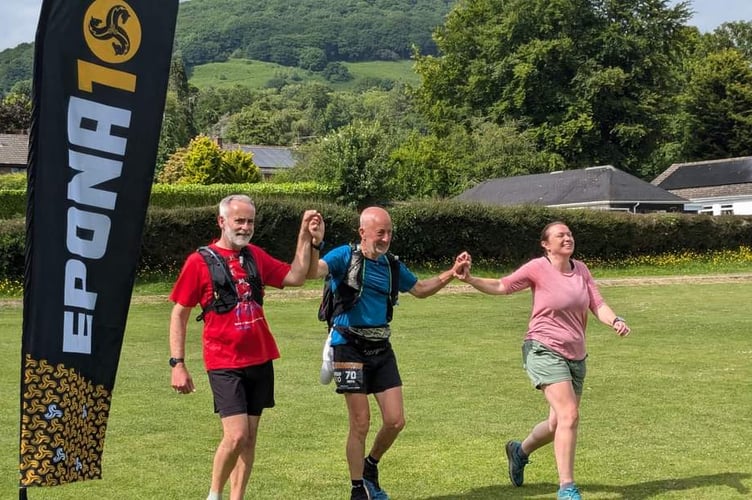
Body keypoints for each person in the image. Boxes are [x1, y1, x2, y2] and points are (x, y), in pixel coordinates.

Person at [455, 221, 631, 500]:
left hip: (576, 355)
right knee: (569, 415)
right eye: (560, 235)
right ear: (546, 244)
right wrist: (471, 279)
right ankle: (567, 488)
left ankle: (519, 451)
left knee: (556, 424)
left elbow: (596, 303)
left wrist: (615, 320)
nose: (567, 238)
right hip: (543, 348)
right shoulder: (538, 267)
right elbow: (503, 285)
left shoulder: (581, 270)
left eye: (570, 234)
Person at [168, 194, 324, 500]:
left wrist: (306, 238)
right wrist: (178, 363)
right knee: (236, 435)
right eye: (239, 220)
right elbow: (179, 312)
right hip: (224, 361)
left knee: (249, 439)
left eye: (250, 221)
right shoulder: (199, 262)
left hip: (260, 357)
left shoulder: (254, 255)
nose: (245, 226)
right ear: (222, 221)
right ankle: (214, 495)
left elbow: (296, 277)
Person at [310, 206, 468, 500]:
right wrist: (314, 244)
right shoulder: (343, 256)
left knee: (395, 420)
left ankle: (370, 466)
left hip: (381, 347)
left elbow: (420, 289)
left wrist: (451, 273)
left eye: (389, 232)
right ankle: (358, 490)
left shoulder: (391, 265)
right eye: (380, 232)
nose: (386, 238)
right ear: (363, 233)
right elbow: (311, 271)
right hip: (347, 344)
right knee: (360, 422)